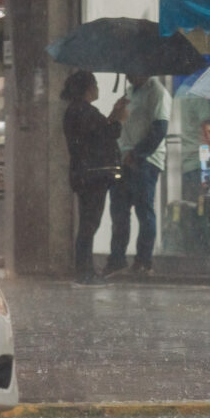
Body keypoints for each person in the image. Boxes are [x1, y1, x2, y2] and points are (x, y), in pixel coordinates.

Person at [61, 70, 126, 286]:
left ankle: (85, 269)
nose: (98, 88)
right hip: (93, 176)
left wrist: (113, 116)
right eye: (95, 84)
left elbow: (97, 131)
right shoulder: (84, 111)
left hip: (83, 174)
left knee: (88, 223)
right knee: (90, 224)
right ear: (88, 88)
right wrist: (119, 119)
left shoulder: (75, 111)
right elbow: (107, 134)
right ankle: (85, 271)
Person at [103, 74, 170, 276]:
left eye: (131, 70)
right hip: (123, 159)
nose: (128, 75)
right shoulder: (130, 92)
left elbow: (160, 128)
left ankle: (143, 260)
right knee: (119, 212)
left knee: (144, 211)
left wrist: (138, 154)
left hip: (146, 162)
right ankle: (117, 259)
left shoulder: (157, 92)